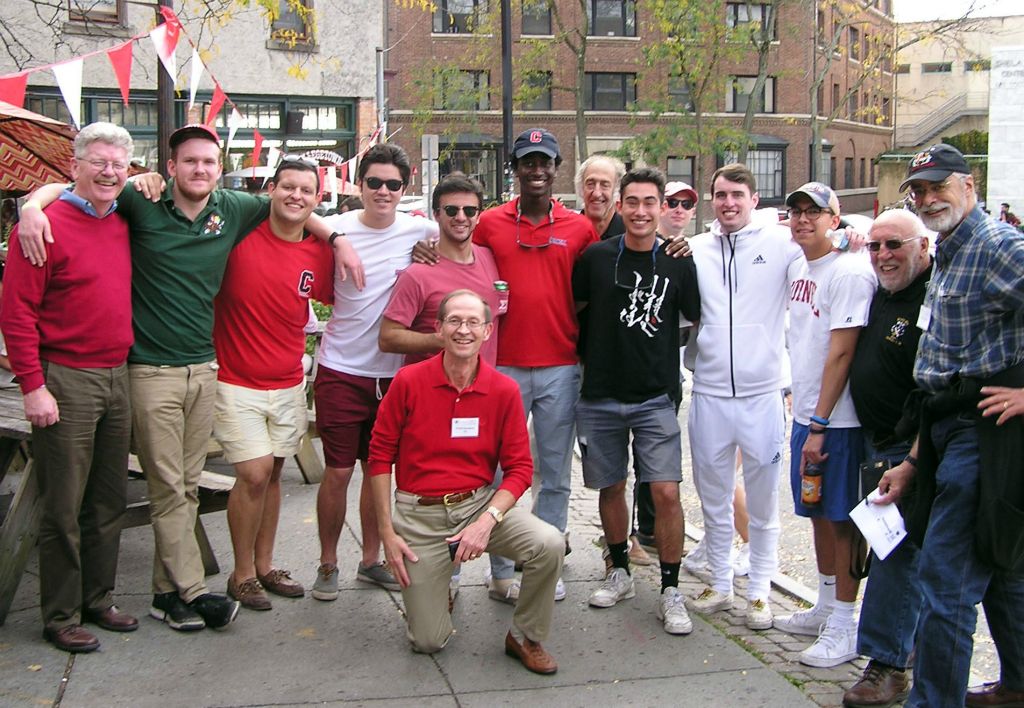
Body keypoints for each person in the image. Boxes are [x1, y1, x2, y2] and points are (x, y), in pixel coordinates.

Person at [16, 123, 363, 633]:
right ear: (170, 166)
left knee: (177, 489)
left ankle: (164, 594)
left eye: (209, 161)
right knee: (167, 488)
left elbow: (295, 207)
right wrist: (30, 206)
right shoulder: (140, 202)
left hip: (204, 367)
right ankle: (194, 591)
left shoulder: (234, 209)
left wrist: (338, 238)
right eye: (190, 161)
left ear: (219, 169)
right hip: (146, 370)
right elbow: (76, 193)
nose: (200, 169)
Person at [876, 143, 1024, 707]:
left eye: (939, 186)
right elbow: (939, 374)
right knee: (1003, 566)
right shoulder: (950, 250)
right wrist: (915, 460)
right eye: (919, 190)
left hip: (983, 434)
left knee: (946, 582)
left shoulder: (998, 246)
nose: (928, 198)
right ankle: (1017, 686)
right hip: (943, 430)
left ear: (971, 184)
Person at [368, 289, 564, 674]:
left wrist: (486, 521)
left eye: (473, 322)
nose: (464, 330)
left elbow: (520, 469)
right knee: (427, 642)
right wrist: (387, 534)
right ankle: (432, 594)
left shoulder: (504, 390)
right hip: (418, 515)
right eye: (454, 321)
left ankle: (525, 635)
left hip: (477, 505)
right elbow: (378, 459)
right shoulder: (408, 382)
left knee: (549, 543)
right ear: (438, 329)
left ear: (488, 331)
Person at [0, 122, 137, 652]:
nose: (109, 172)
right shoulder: (41, 226)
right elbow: (16, 314)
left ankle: (98, 599)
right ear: (74, 166)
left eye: (118, 164)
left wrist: (32, 198)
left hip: (118, 375)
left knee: (108, 499)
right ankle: (60, 615)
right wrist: (33, 386)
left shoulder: (125, 215)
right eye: (98, 162)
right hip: (66, 377)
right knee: (63, 504)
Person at [469, 128, 598, 599]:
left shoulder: (580, 229)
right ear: (515, 168)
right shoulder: (489, 223)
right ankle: (501, 568)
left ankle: (545, 567)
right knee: (501, 472)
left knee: (556, 474)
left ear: (557, 166)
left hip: (561, 366)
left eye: (545, 162)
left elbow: (594, 288)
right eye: (528, 162)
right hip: (502, 365)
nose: (537, 170)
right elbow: (461, 261)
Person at [573, 167, 701, 634]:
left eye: (651, 202)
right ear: (620, 206)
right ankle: (620, 569)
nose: (641, 211)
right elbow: (577, 313)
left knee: (665, 490)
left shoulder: (678, 260)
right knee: (611, 486)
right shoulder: (595, 258)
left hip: (655, 397)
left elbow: (694, 317)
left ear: (661, 207)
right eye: (633, 202)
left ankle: (671, 587)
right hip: (601, 393)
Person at [378, 172, 515, 600]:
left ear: (480, 214)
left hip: (484, 401)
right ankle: (444, 582)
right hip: (433, 406)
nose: (460, 217)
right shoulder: (420, 272)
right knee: (439, 495)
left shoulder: (491, 259)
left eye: (470, 210)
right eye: (451, 210)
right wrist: (446, 340)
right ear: (435, 215)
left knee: (484, 489)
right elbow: (388, 336)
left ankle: (501, 575)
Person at [312, 143, 439, 600]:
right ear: (358, 185)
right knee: (339, 471)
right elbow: (295, 209)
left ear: (405, 189)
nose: (383, 192)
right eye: (374, 183)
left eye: (393, 184)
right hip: (342, 368)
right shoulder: (335, 226)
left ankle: (370, 560)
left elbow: (468, 228)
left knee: (378, 470)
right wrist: (335, 240)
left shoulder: (420, 230)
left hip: (395, 374)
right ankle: (328, 562)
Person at [684, 164, 804, 631]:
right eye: (720, 195)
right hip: (710, 393)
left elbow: (821, 257)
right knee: (712, 497)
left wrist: (849, 242)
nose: (728, 203)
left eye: (737, 194)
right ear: (711, 200)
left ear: (754, 199)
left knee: (763, 501)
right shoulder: (694, 250)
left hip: (761, 395)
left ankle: (759, 591)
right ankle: (719, 580)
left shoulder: (780, 244)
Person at [213, 157, 335, 610]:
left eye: (306, 190)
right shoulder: (239, 235)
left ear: (317, 199)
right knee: (253, 472)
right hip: (234, 378)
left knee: (276, 472)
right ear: (271, 188)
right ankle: (241, 574)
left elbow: (343, 292)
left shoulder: (318, 252)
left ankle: (265, 565)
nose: (296, 196)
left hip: (287, 381)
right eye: (288, 187)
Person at [777, 182, 876, 668]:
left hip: (839, 422)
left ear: (835, 220)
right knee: (815, 512)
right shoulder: (799, 264)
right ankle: (823, 604)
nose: (802, 220)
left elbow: (842, 350)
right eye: (795, 211)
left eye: (814, 212)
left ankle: (845, 622)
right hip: (806, 415)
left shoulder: (850, 271)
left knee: (841, 519)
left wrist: (820, 422)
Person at [842, 209, 931, 705]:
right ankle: (908, 649)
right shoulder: (880, 290)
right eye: (875, 247)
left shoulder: (934, 298)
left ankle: (887, 665)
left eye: (894, 245)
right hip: (877, 443)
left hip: (911, 450)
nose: (883, 256)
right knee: (890, 549)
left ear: (923, 246)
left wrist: (913, 457)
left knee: (897, 554)